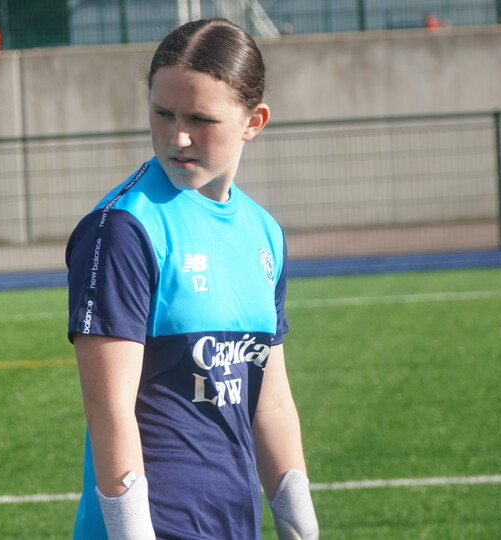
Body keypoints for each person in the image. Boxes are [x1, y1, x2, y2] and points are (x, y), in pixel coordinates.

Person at [65, 17, 319, 540]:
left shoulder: (263, 233)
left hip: (234, 525)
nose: (177, 136)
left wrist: (301, 529)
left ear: (254, 121)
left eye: (200, 119)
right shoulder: (124, 229)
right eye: (162, 113)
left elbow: (269, 402)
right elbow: (109, 409)